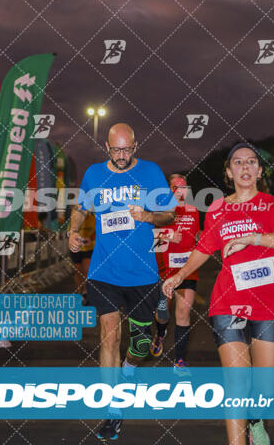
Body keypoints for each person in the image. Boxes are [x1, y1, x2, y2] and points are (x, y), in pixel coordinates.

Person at [163, 143, 274, 445]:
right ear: (228, 172)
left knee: (265, 388)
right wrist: (179, 275)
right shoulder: (218, 209)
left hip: (272, 304)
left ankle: (255, 418)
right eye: (237, 162)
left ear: (259, 170)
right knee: (237, 383)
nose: (245, 166)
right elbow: (203, 248)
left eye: (251, 162)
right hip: (229, 302)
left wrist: (253, 237)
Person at [69, 123, 175, 440]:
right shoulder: (94, 175)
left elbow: (169, 214)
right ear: (106, 147)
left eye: (126, 149)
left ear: (135, 145)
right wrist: (73, 230)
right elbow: (80, 208)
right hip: (104, 270)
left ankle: (129, 369)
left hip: (142, 272)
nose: (121, 155)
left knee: (140, 344)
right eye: (116, 149)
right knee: (108, 334)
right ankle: (112, 411)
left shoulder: (151, 172)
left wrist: (148, 216)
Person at [150, 173, 200, 373]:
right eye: (176, 187)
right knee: (162, 313)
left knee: (183, 313)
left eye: (184, 187)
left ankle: (179, 361)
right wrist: (169, 235)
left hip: (188, 270)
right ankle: (160, 333)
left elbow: (197, 236)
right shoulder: (160, 211)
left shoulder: (194, 211)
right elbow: (148, 236)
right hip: (165, 271)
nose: (181, 191)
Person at [69, 212, 95, 305]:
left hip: (89, 247)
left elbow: (98, 231)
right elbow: (70, 231)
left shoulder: (93, 217)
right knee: (78, 270)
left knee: (86, 270)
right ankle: (79, 291)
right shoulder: (75, 217)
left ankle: (85, 291)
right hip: (77, 248)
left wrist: (90, 238)